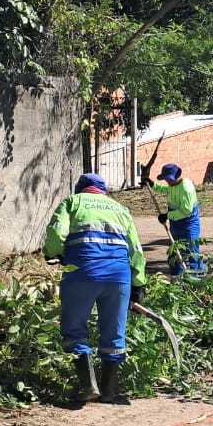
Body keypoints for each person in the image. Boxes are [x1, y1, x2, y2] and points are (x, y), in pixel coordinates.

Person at [43, 173, 148, 403]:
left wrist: (52, 253)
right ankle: (109, 390)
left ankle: (88, 385)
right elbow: (136, 250)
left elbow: (56, 233)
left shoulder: (72, 202)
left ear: (81, 188)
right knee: (114, 332)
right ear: (103, 191)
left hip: (82, 272)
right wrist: (138, 284)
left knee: (74, 329)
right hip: (119, 278)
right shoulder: (121, 210)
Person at [144, 163, 206, 275]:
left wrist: (167, 216)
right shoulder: (173, 185)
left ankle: (197, 279)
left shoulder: (186, 188)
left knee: (192, 253)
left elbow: (186, 211)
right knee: (174, 252)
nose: (167, 181)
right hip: (175, 224)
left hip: (188, 225)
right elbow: (167, 190)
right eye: (165, 179)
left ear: (175, 177)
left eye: (168, 179)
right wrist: (153, 185)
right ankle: (176, 278)